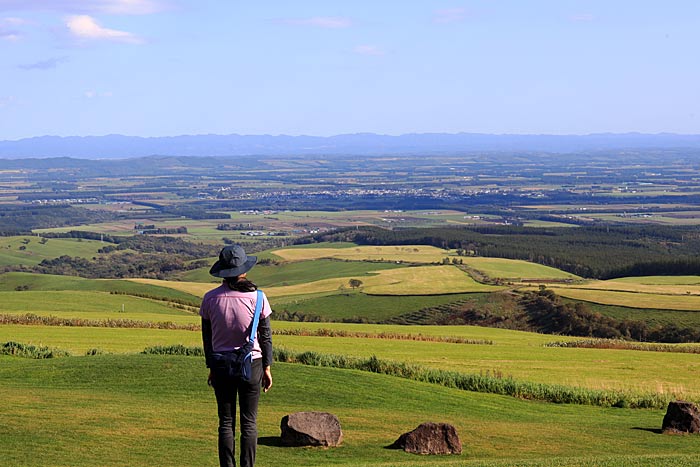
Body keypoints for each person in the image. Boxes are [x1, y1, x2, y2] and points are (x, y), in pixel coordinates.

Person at [200, 244, 273, 467]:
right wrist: (268, 367)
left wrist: (211, 367)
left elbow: (207, 339)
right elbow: (266, 337)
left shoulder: (210, 299)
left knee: (226, 422)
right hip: (253, 364)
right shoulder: (258, 298)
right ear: (244, 270)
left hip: (221, 365)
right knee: (249, 423)